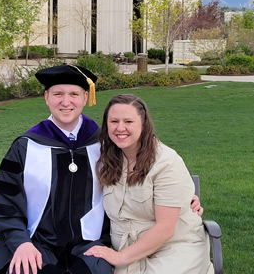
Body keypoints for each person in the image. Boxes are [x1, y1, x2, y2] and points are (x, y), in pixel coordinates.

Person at [0, 66, 203, 274]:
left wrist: (185, 198)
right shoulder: (26, 146)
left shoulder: (105, 143)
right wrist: (21, 243)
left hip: (89, 245)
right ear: (47, 98)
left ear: (85, 98)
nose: (66, 102)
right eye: (58, 94)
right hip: (38, 243)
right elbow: (6, 203)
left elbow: (150, 170)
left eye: (74, 94)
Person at [84, 94, 213, 274]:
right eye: (114, 121)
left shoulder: (166, 163)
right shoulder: (106, 158)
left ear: (143, 124)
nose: (120, 128)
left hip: (174, 247)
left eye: (128, 121)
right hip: (127, 249)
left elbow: (166, 228)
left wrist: (120, 257)